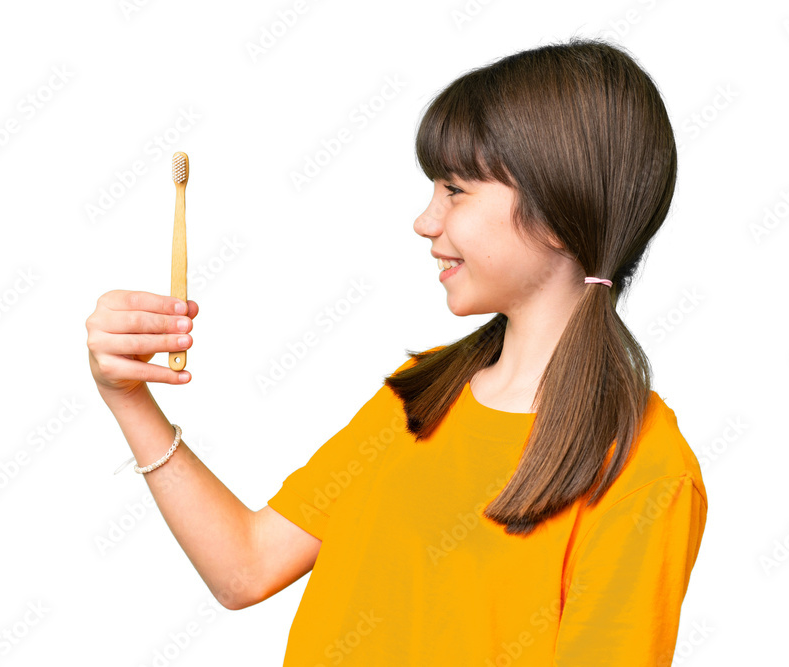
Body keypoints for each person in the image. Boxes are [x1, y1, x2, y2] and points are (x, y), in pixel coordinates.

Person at [86, 36, 708, 666]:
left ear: (557, 207)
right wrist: (127, 396)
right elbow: (244, 568)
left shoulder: (645, 472)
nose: (425, 220)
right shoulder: (420, 395)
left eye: (455, 189)